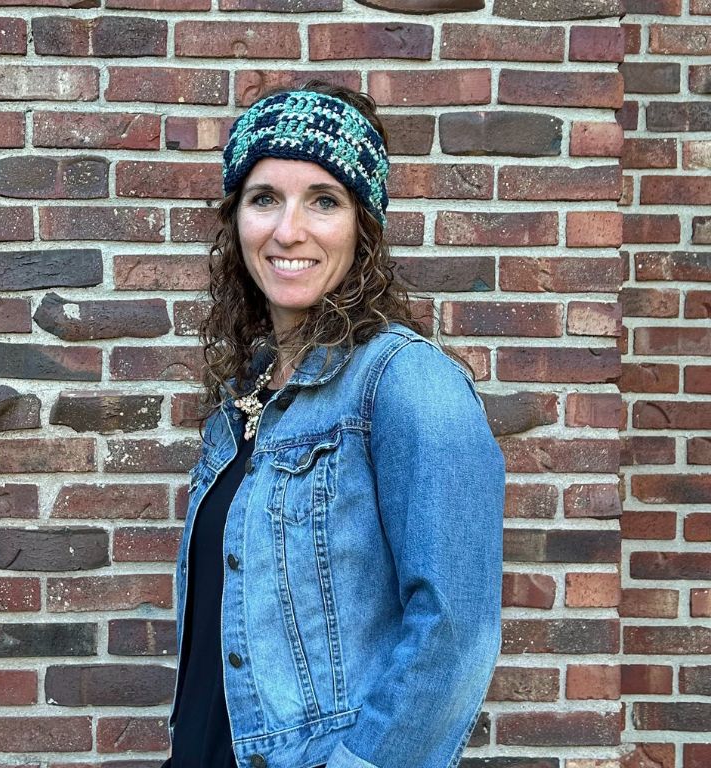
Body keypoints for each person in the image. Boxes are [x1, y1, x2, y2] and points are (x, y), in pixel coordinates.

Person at [162, 80, 506, 768]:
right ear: (237, 221)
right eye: (265, 199)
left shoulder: (406, 383)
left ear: (362, 223)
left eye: (324, 200)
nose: (289, 230)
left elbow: (456, 630)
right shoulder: (246, 396)